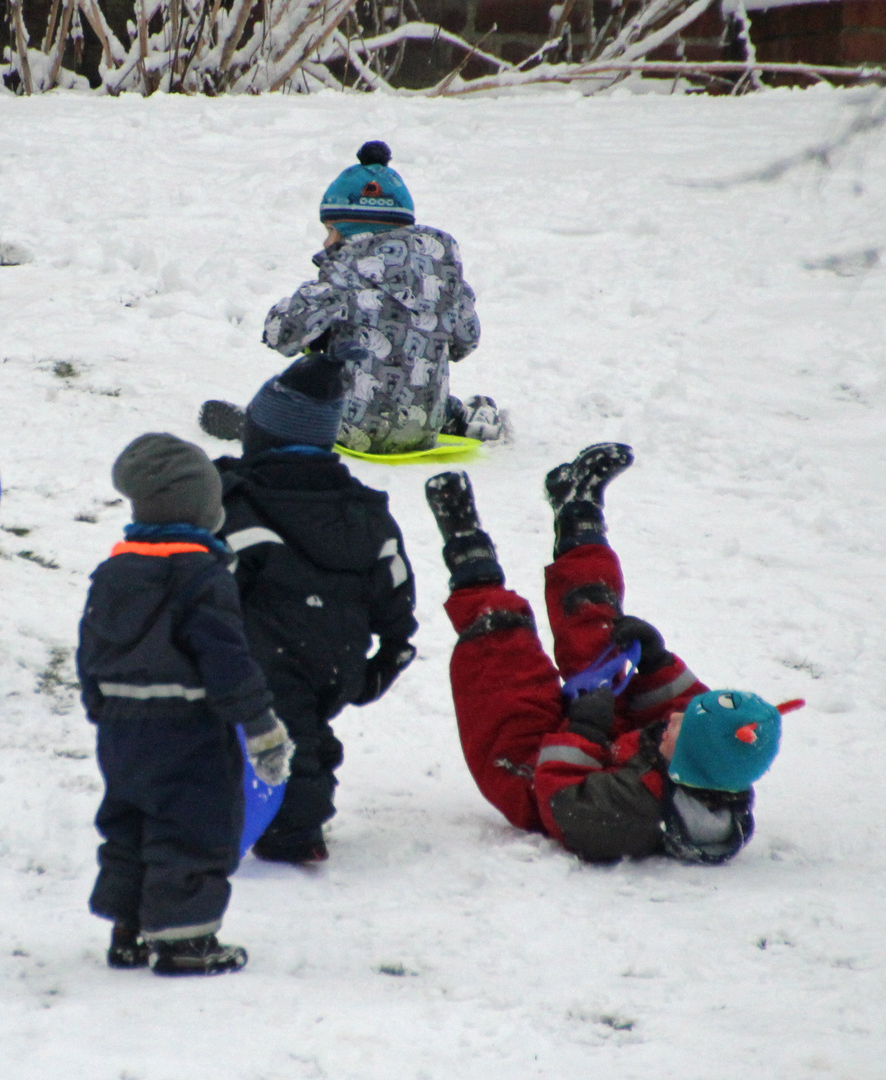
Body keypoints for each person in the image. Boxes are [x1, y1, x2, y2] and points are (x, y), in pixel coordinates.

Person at [423, 444, 791, 864]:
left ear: (686, 762)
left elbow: (561, 796)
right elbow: (683, 706)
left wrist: (583, 729)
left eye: (682, 726)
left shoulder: (627, 814)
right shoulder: (709, 755)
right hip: (612, 748)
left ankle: (469, 555)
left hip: (542, 778)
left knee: (505, 671)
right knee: (603, 636)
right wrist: (655, 662)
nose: (675, 717)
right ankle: (577, 508)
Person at [77, 434, 293, 975]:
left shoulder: (114, 571)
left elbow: (91, 645)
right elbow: (227, 660)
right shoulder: (200, 575)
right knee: (193, 825)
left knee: (130, 821)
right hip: (185, 726)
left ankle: (127, 927)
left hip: (123, 729)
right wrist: (261, 726)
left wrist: (98, 703)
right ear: (201, 510)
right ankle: (183, 939)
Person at [213, 352, 419, 864]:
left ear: (262, 436)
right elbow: (394, 580)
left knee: (286, 737)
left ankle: (294, 829)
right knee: (303, 729)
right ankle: (276, 808)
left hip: (266, 659)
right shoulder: (364, 513)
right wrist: (390, 654)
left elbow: (215, 586)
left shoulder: (241, 505)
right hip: (340, 658)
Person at [203, 141, 498, 455]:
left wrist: (292, 311)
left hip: (347, 428)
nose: (326, 240)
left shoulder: (344, 273)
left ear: (354, 229)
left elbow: (283, 335)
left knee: (309, 381)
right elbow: (466, 342)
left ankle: (265, 423)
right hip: (424, 429)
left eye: (331, 229)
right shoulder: (445, 278)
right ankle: (460, 417)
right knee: (413, 385)